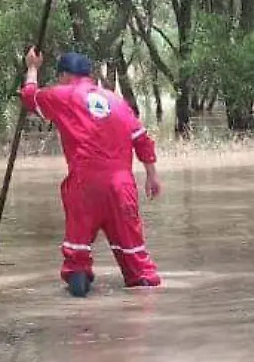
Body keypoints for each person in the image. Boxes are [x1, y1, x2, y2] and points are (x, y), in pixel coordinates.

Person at [21, 47, 162, 296]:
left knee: (77, 258)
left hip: (84, 186)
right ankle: (144, 309)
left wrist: (32, 67)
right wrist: (152, 175)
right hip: (122, 186)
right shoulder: (117, 101)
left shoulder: (63, 94)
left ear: (64, 75)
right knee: (135, 257)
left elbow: (29, 97)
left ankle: (80, 315)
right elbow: (141, 139)